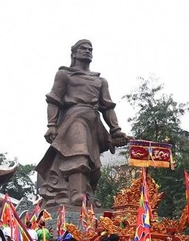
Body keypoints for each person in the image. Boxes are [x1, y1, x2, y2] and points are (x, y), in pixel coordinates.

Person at [37, 39, 129, 207]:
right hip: (74, 117)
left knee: (94, 164)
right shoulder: (64, 74)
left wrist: (115, 130)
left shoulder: (101, 81)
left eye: (90, 49)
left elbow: (107, 107)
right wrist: (51, 125)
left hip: (94, 121)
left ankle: (87, 194)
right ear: (74, 53)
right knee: (79, 153)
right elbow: (54, 100)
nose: (87, 51)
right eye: (83, 49)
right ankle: (76, 194)